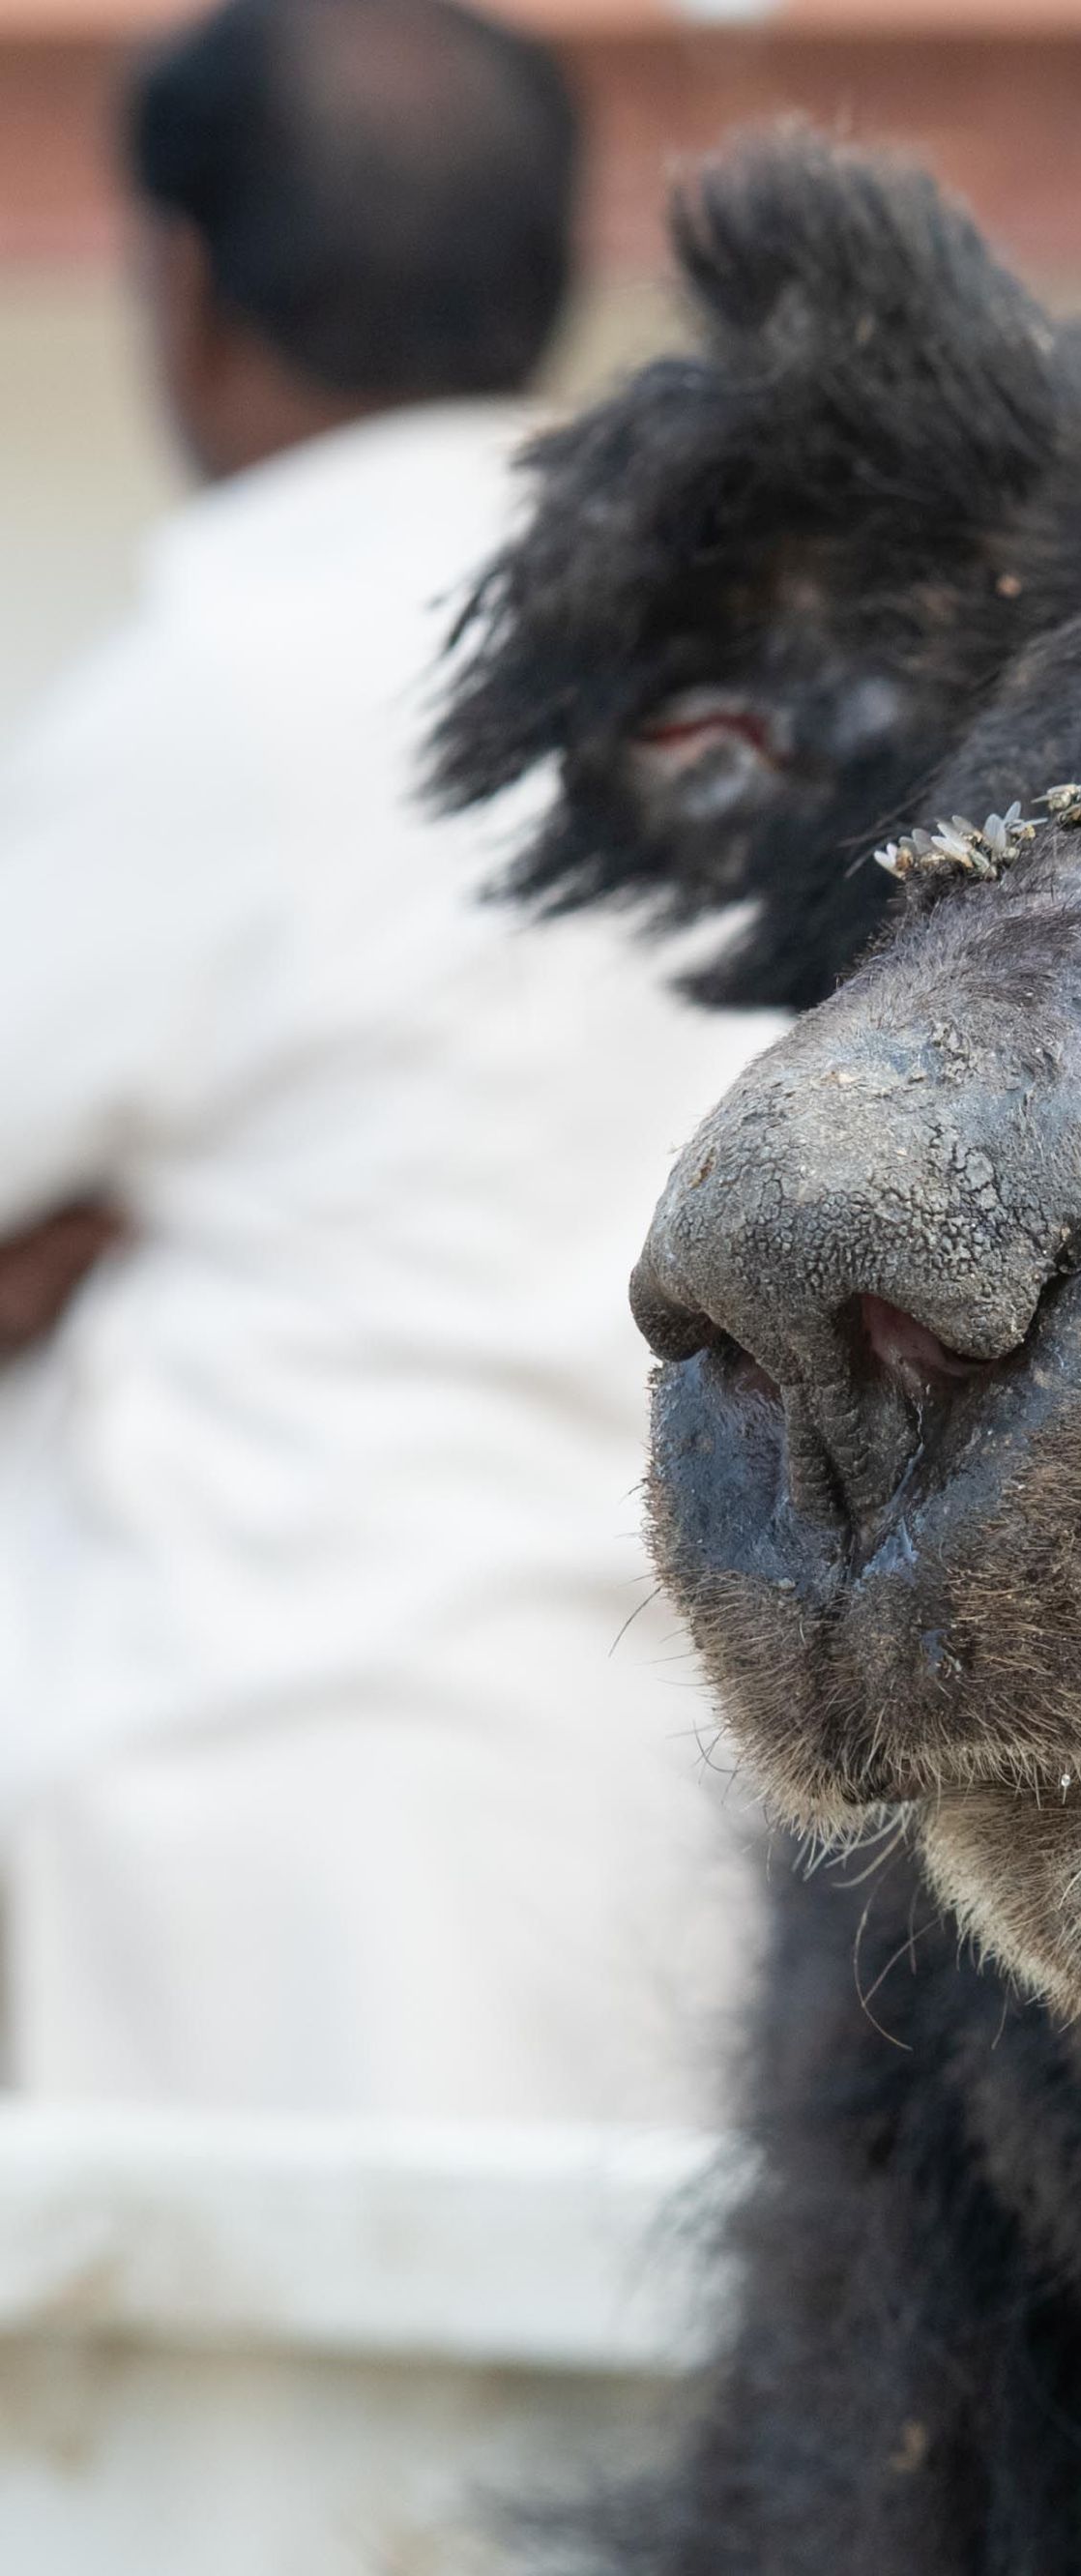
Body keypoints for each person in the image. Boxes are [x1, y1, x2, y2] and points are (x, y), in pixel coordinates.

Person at [0, 0, 770, 2121]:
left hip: (277, 1803)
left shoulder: (219, 689)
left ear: (178, 283)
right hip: (684, 1792)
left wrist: (96, 1237)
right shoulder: (714, 684)